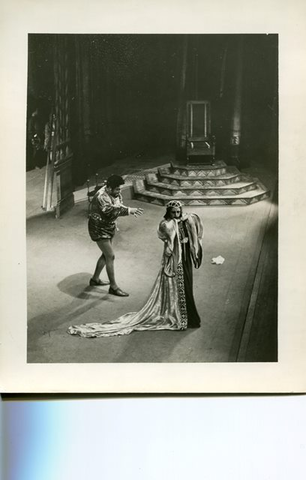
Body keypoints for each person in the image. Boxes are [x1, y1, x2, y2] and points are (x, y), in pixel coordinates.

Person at [68, 200, 203, 338]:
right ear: (168, 212)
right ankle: (184, 317)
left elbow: (194, 232)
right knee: (181, 287)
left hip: (185, 259)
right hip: (175, 261)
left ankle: (188, 316)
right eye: (173, 212)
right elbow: (167, 237)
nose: (176, 215)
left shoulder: (186, 220)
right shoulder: (166, 224)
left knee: (188, 286)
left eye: (178, 212)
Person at [88, 174, 144, 297]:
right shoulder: (102, 196)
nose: (119, 191)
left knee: (106, 254)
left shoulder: (113, 193)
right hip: (99, 228)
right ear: (108, 188)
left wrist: (128, 209)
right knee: (110, 256)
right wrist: (129, 211)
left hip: (109, 226)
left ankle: (95, 279)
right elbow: (109, 211)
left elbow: (118, 206)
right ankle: (113, 287)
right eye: (117, 189)